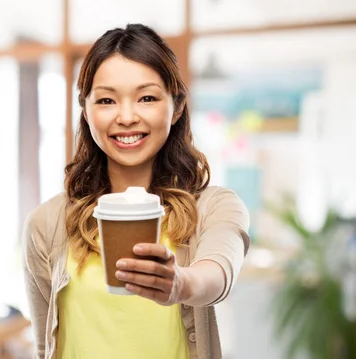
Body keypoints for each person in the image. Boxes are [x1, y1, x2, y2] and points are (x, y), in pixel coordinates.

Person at [23, 23, 250, 359]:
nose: (126, 117)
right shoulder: (47, 223)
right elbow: (45, 347)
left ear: (177, 108)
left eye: (147, 97)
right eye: (106, 100)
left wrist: (179, 284)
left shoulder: (215, 208)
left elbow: (216, 275)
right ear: (86, 112)